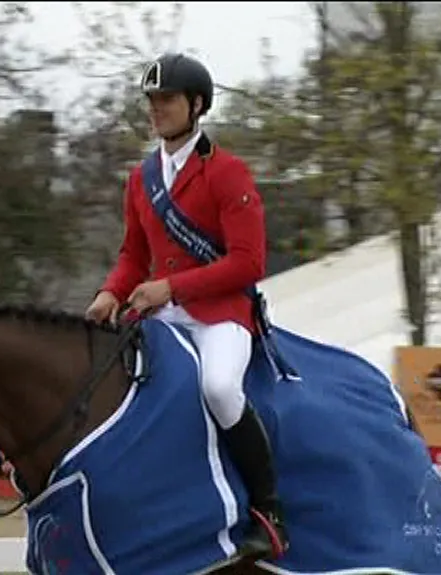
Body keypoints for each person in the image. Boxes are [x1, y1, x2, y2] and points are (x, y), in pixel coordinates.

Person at [84, 52, 289, 559]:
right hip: (162, 312)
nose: (156, 109)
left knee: (219, 388)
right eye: (151, 100)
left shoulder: (227, 173)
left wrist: (171, 289)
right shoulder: (141, 178)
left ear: (196, 105)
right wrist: (110, 291)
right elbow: (135, 254)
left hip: (222, 315)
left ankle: (269, 511)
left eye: (167, 100)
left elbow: (248, 262)